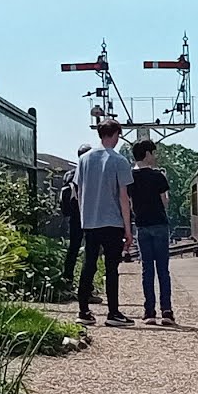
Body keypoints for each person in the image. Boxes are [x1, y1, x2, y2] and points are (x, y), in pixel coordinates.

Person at [73, 119, 135, 327]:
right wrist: (128, 228)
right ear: (116, 133)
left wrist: (85, 215)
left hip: (90, 221)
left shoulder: (84, 159)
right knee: (111, 268)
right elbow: (123, 198)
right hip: (112, 221)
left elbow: (79, 190)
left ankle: (83, 311)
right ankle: (113, 313)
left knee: (88, 264)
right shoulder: (119, 161)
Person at [128, 139, 174, 326]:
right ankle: (167, 311)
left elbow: (130, 203)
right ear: (147, 154)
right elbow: (165, 201)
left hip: (142, 226)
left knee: (147, 269)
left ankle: (149, 312)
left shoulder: (130, 177)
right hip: (160, 225)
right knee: (163, 269)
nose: (155, 157)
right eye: (153, 153)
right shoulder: (158, 176)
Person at [60, 144, 101, 306]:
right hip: (90, 217)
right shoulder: (91, 173)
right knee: (91, 253)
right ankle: (87, 289)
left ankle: (67, 282)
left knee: (73, 250)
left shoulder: (69, 174)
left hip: (74, 218)